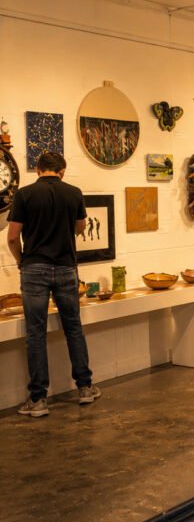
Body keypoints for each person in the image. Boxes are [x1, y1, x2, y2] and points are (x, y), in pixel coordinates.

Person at [8, 151, 100, 417]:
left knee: (36, 334)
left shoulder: (24, 194)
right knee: (73, 327)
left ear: (38, 169)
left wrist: (22, 261)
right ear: (62, 171)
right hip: (65, 267)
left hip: (33, 268)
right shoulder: (74, 193)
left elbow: (12, 237)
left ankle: (38, 400)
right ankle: (85, 388)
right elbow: (80, 227)